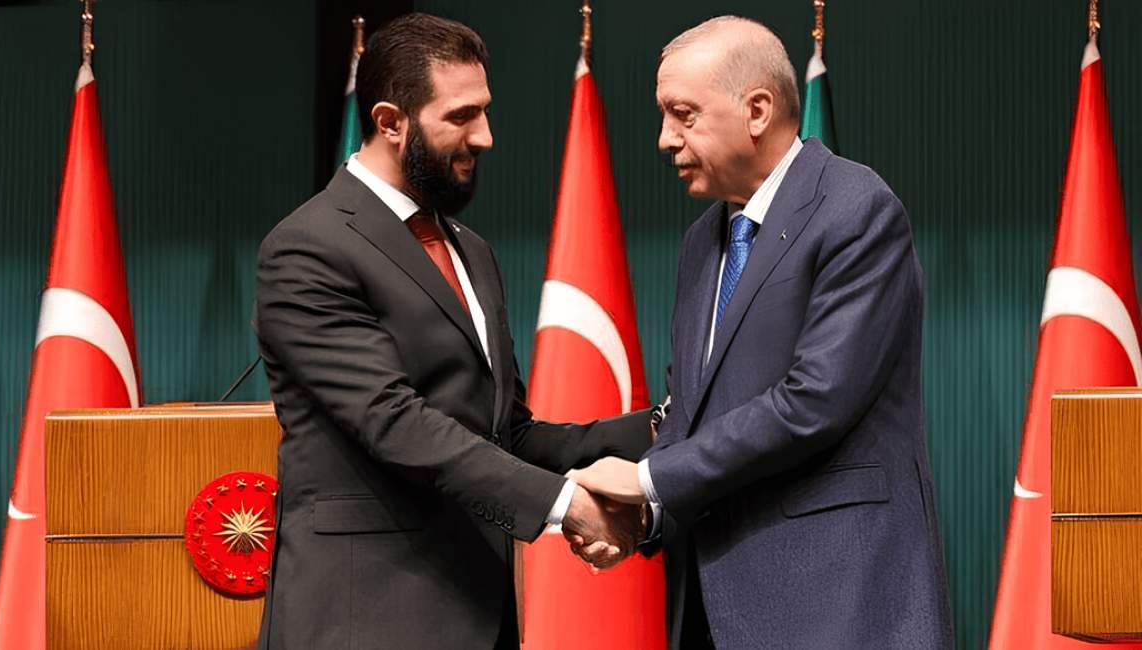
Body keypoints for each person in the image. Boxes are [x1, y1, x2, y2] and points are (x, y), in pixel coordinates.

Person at [253, 13, 648, 650]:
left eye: (484, 111)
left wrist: (662, 427)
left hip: (477, 612)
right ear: (390, 121)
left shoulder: (470, 249)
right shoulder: (308, 246)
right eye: (461, 116)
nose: (485, 136)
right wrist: (566, 505)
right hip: (364, 619)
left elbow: (505, 434)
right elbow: (393, 421)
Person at [569, 16, 954, 648]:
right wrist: (646, 518)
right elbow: (691, 414)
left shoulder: (856, 209)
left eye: (683, 115)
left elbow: (814, 401)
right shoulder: (702, 242)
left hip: (837, 604)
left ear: (757, 110)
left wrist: (645, 481)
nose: (664, 139)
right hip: (715, 609)